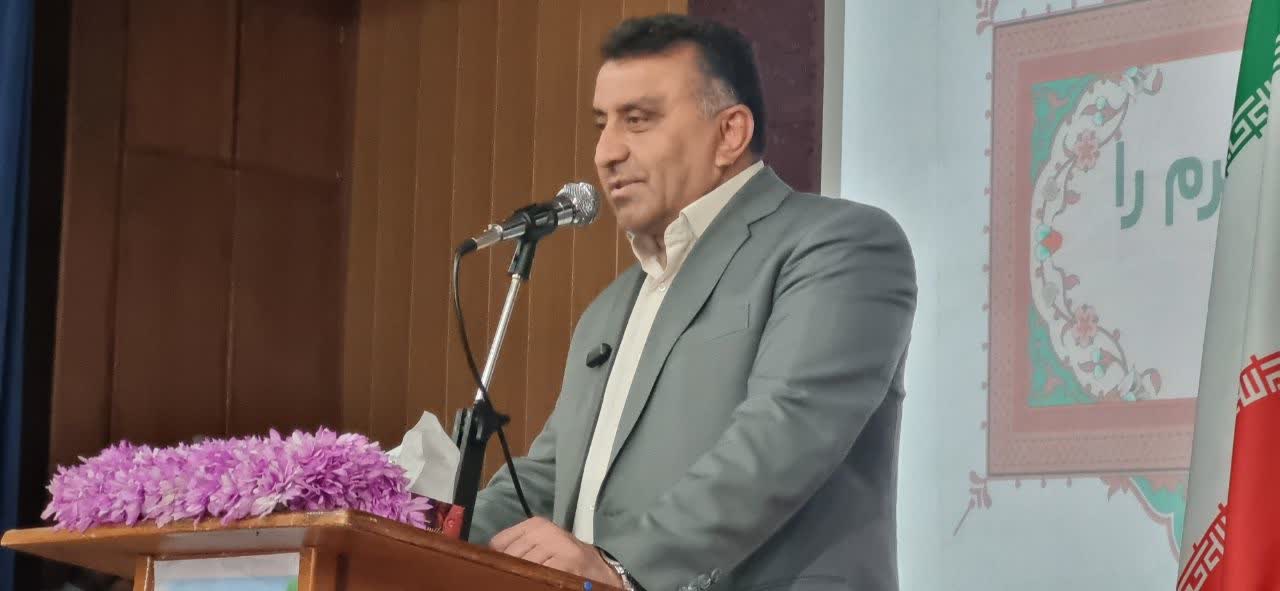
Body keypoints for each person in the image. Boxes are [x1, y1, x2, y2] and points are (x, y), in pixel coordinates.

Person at [470, 14, 916, 591]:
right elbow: (551, 476)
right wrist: (416, 525)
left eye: (638, 120)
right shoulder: (611, 308)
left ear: (729, 133)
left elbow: (783, 435)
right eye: (602, 124)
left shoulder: (836, 245)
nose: (606, 152)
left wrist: (622, 565)